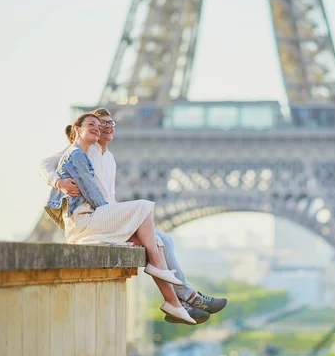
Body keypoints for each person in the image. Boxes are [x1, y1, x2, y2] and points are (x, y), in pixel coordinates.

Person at [39, 108, 227, 325]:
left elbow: (109, 198)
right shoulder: (82, 150)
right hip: (89, 218)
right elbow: (46, 164)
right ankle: (179, 298)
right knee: (146, 213)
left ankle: (185, 299)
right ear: (84, 130)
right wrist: (58, 182)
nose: (106, 126)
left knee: (163, 240)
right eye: (99, 123)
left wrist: (121, 221)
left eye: (110, 123)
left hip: (104, 216)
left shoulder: (109, 158)